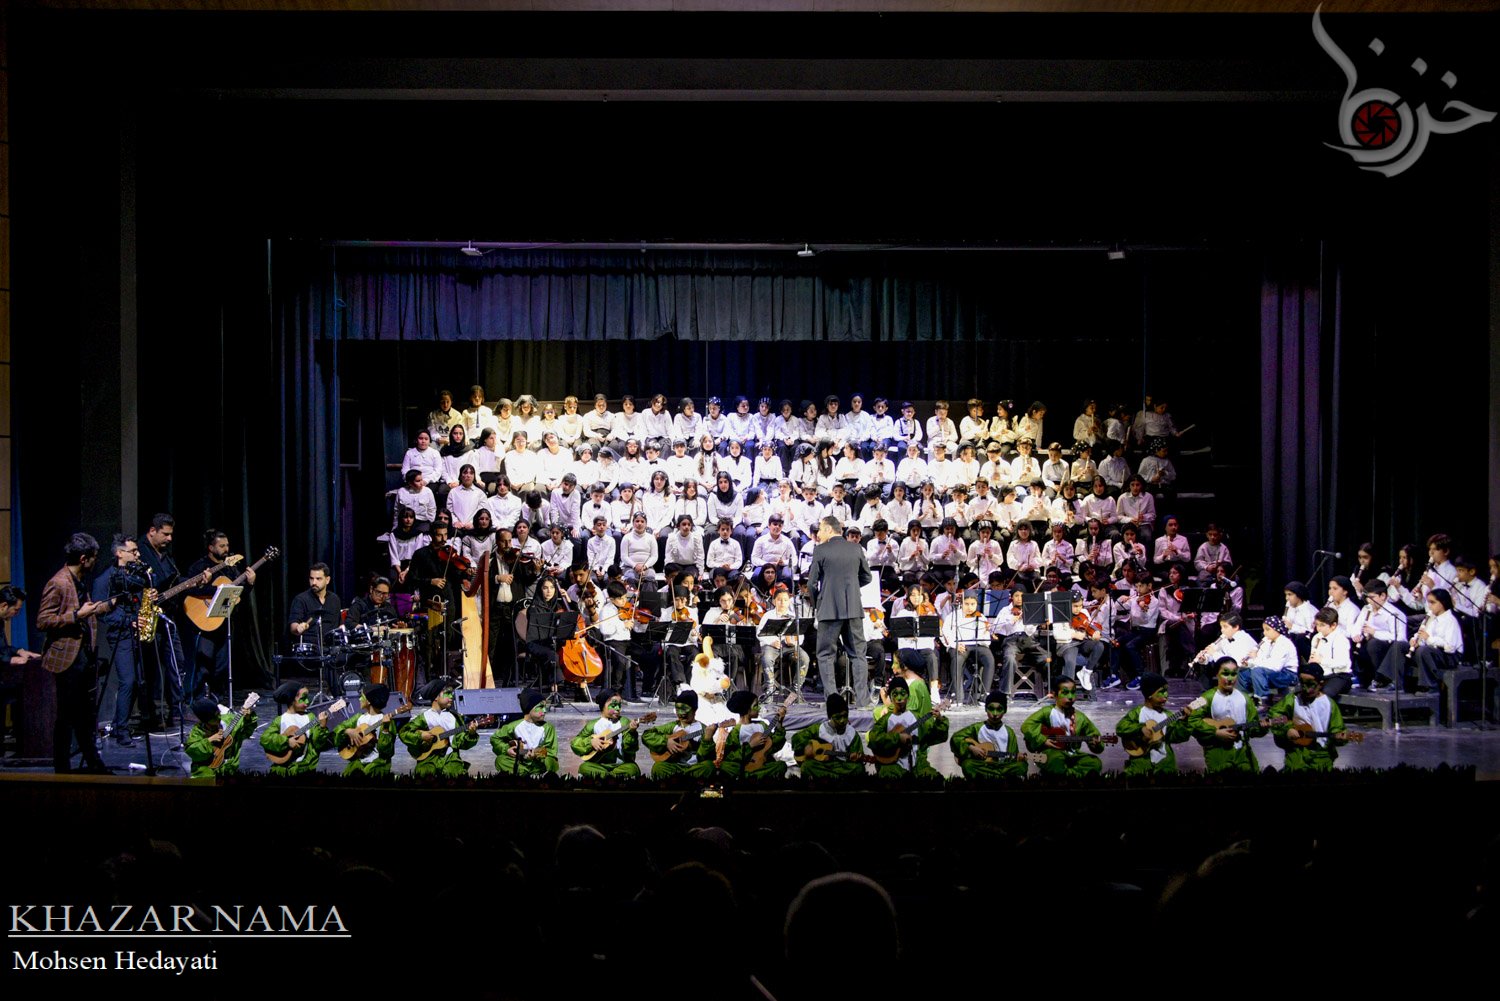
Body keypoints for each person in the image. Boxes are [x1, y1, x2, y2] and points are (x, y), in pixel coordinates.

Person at [37, 533, 110, 773]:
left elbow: (84, 610)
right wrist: (76, 616)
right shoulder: (58, 583)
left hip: (82, 657)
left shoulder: (78, 580)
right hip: (66, 660)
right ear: (83, 558)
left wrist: (104, 606)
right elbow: (43, 620)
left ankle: (94, 764)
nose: (95, 561)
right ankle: (62, 769)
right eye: (94, 557)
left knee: (84, 716)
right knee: (66, 717)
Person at [183, 529, 256, 701]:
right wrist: (216, 589)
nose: (226, 549)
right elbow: (189, 590)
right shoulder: (199, 567)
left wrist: (250, 584)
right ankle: (197, 700)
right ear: (211, 548)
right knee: (203, 664)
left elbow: (237, 595)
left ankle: (218, 700)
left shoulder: (231, 568)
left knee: (222, 666)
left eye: (227, 545)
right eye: (221, 546)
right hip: (204, 622)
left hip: (224, 622)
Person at [806, 515, 872, 701]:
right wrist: (851, 588)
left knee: (826, 655)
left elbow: (811, 584)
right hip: (853, 608)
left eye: (820, 529)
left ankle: (832, 700)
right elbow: (867, 577)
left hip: (829, 609)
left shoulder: (820, 550)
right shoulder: (856, 548)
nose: (818, 534)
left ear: (829, 529)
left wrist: (818, 603)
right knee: (858, 655)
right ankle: (863, 700)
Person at [92, 533, 147, 747]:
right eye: (133, 551)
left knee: (138, 681)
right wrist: (130, 621)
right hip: (120, 634)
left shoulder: (133, 575)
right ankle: (121, 731)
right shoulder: (104, 579)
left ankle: (118, 725)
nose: (138, 554)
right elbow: (101, 613)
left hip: (135, 632)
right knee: (128, 681)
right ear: (119, 553)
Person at [1184, 658, 1266, 774]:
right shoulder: (1205, 697)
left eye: (1234, 674)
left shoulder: (1246, 698)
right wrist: (1215, 732)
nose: (1230, 678)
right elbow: (1191, 720)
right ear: (1216, 674)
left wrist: (1263, 728)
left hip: (1243, 753)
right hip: (1217, 753)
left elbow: (1253, 728)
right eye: (1225, 674)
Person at [1270, 664, 1350, 772]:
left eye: (1311, 685)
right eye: (1303, 684)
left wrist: (1340, 737)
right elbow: (1275, 715)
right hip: (1297, 753)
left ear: (1321, 684)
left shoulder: (1329, 705)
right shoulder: (1293, 699)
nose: (1306, 689)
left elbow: (1337, 728)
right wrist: (1287, 728)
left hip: (1321, 756)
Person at [1021, 675, 1104, 777]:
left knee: (1095, 763)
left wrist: (1096, 744)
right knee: (1056, 760)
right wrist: (1042, 740)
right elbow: (1027, 725)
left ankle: (1065, 775)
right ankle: (1072, 776)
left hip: (1072, 754)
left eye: (1073, 692)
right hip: (1050, 753)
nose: (1070, 697)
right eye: (1065, 693)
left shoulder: (1080, 717)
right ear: (1055, 695)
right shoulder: (1047, 712)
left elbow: (1094, 735)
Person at [868, 675, 947, 779]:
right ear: (891, 697)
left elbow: (936, 735)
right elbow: (874, 738)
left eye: (902, 694)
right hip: (892, 765)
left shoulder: (917, 718)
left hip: (917, 765)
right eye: (895, 694)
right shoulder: (886, 720)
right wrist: (897, 738)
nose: (899, 698)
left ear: (908, 696)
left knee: (934, 779)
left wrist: (940, 720)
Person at [1114, 673, 1191, 776]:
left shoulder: (1167, 715)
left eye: (1166, 691)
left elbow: (1177, 737)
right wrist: (1140, 729)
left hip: (1165, 764)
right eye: (1161, 692)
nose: (1166, 695)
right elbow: (1121, 727)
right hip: (1141, 763)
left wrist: (1184, 722)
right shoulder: (1137, 713)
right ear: (1149, 694)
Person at [398, 682, 479, 778]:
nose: (451, 697)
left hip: (450, 757)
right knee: (423, 774)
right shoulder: (425, 717)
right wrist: (420, 736)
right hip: (428, 758)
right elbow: (404, 732)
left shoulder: (455, 717)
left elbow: (461, 742)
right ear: (436, 697)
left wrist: (471, 734)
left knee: (455, 775)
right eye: (447, 694)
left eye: (451, 694)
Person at [289, 563, 343, 694]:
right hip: (312, 647)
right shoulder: (301, 599)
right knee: (330, 657)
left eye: (318, 579)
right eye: (311, 578)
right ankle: (337, 695)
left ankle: (348, 694)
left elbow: (338, 625)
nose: (314, 582)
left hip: (331, 645)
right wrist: (298, 628)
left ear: (327, 580)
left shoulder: (334, 600)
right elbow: (293, 626)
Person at [950, 690, 1029, 780]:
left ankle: (991, 777)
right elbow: (955, 738)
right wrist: (971, 748)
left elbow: (1012, 756)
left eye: (999, 709)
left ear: (1005, 710)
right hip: (984, 766)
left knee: (1021, 766)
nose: (995, 714)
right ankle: (1000, 779)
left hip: (1003, 767)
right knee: (968, 765)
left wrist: (1018, 758)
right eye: (991, 709)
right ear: (986, 709)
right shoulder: (977, 728)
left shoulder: (1009, 732)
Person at [641, 689, 720, 779]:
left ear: (694, 709)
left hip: (694, 767)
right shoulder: (672, 726)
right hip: (674, 766)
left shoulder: (703, 729)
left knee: (709, 766)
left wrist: (707, 740)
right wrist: (666, 741)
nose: (682, 714)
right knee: (658, 767)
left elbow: (705, 757)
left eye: (685, 711)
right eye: (679, 710)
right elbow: (647, 735)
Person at [260, 681, 334, 777]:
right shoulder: (281, 720)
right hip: (283, 770)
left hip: (306, 768)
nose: (307, 702)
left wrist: (322, 727)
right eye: (303, 698)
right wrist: (286, 741)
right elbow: (265, 739)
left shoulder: (310, 718)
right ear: (291, 700)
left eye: (307, 698)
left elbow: (318, 744)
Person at [788, 692, 866, 780]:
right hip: (823, 765)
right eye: (838, 717)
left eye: (845, 716)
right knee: (807, 766)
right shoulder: (819, 729)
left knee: (858, 768)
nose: (842, 720)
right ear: (830, 716)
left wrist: (856, 757)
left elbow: (859, 755)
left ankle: (830, 778)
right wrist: (807, 745)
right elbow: (796, 738)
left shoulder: (852, 734)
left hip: (843, 767)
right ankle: (838, 780)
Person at [571, 688, 644, 779]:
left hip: (621, 765)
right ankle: (612, 778)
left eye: (619, 705)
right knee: (584, 767)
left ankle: (605, 778)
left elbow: (631, 749)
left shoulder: (624, 722)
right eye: (613, 705)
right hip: (598, 766)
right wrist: (591, 742)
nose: (617, 709)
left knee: (632, 769)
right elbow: (575, 743)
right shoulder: (593, 724)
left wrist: (632, 732)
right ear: (603, 705)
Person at [332, 683, 401, 778]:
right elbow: (338, 729)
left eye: (362, 697)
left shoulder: (386, 720)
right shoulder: (359, 718)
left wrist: (385, 729)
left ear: (368, 701)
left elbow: (387, 752)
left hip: (377, 764)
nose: (360, 699)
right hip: (358, 762)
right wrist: (348, 731)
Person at [184, 693, 259, 779]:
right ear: (205, 721)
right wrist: (209, 740)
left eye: (218, 713)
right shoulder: (198, 731)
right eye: (214, 718)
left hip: (229, 769)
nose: (219, 718)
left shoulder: (230, 720)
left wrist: (248, 718)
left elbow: (246, 732)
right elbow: (193, 751)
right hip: (206, 772)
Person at [718, 689, 788, 780]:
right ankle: (755, 777)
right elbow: (731, 757)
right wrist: (750, 746)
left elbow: (774, 744)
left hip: (762, 764)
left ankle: (749, 777)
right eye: (755, 706)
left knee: (781, 765)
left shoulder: (762, 725)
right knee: (725, 766)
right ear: (746, 709)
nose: (759, 708)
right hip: (744, 766)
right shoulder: (736, 731)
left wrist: (780, 722)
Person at [943, 589, 997, 705]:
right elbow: (945, 633)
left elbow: (986, 642)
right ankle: (958, 696)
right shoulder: (953, 616)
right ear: (962, 603)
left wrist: (985, 631)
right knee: (957, 659)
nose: (969, 607)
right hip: (960, 645)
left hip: (977, 645)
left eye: (973, 604)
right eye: (966, 604)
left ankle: (984, 695)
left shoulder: (981, 617)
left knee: (989, 659)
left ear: (977, 604)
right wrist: (955, 644)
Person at [492, 688, 558, 777]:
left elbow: (551, 751)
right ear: (529, 708)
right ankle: (522, 773)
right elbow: (495, 739)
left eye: (545, 707)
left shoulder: (548, 728)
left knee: (550, 761)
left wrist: (537, 753)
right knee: (500, 760)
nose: (544, 710)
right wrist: (507, 749)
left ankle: (538, 775)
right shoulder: (514, 726)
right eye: (540, 707)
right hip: (520, 761)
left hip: (538, 763)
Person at [1358, 581, 1409, 693]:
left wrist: (1375, 633)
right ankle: (1373, 680)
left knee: (1375, 644)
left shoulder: (1394, 613)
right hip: (1376, 644)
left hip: (1395, 646)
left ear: (1383, 596)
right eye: (1367, 598)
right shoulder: (1367, 609)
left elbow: (1400, 637)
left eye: (1372, 597)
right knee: (1369, 645)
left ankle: (1389, 681)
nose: (1369, 601)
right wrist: (1356, 635)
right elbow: (1357, 625)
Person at [1239, 615, 1300, 709]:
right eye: (1264, 630)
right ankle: (1247, 699)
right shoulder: (1266, 642)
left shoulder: (1284, 643)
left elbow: (1275, 667)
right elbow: (1261, 660)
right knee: (1243, 672)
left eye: (1268, 630)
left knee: (1257, 671)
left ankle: (1263, 702)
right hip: (1268, 672)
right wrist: (1249, 663)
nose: (1264, 633)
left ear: (1276, 629)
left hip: (1287, 675)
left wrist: (1255, 659)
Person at [1308, 606, 1353, 698]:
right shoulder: (1316, 637)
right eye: (1317, 625)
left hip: (1339, 676)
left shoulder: (1340, 639)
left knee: (1324, 695)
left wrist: (1321, 660)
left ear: (1333, 625)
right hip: (1322, 675)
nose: (1318, 628)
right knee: (1305, 691)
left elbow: (1342, 663)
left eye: (1322, 625)